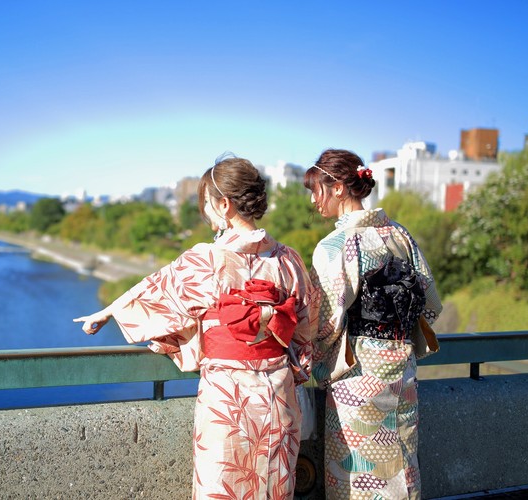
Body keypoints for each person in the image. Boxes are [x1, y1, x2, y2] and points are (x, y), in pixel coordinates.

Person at [74, 155, 316, 499]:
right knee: (273, 487)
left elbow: (154, 296)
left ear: (224, 204)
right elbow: (306, 330)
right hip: (278, 394)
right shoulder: (288, 259)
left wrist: (109, 312)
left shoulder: (205, 260)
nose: (206, 212)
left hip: (227, 397)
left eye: (207, 204)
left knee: (223, 485)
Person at [304, 149, 443, 499]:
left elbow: (325, 322)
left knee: (360, 472)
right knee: (403, 458)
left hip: (359, 375)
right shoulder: (400, 234)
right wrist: (399, 338)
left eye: (316, 188)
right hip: (403, 366)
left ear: (338, 188)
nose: (313, 199)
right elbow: (431, 303)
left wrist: (314, 360)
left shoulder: (336, 245)